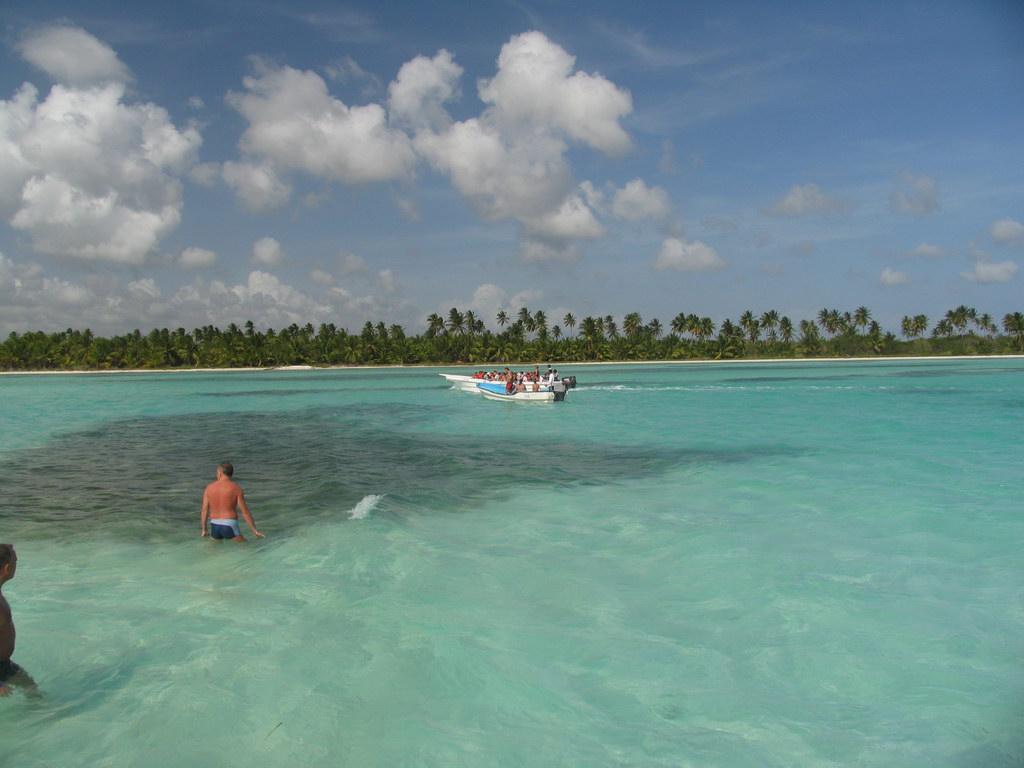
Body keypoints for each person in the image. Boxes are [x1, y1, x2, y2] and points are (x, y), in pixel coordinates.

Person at [0, 543, 38, 697]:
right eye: (16, 562)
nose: (16, 566)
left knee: (31, 690)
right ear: (7, 568)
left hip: (4, 664)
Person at [201, 462, 265, 542]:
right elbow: (245, 512)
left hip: (214, 524)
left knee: (216, 549)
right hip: (229, 524)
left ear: (219, 473)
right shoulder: (236, 488)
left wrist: (204, 529)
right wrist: (255, 530)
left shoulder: (209, 488)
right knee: (246, 546)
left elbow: (204, 511)